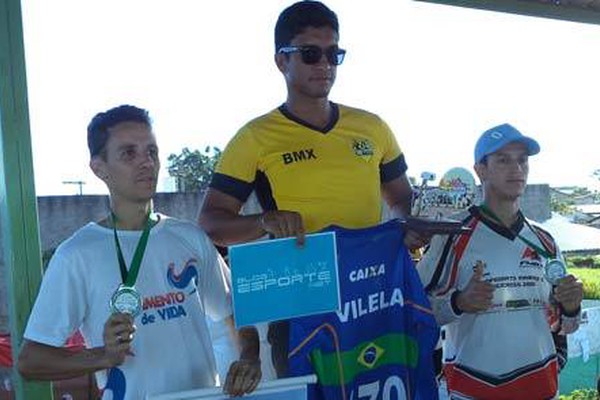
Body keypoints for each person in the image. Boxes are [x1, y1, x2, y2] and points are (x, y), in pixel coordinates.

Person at [198, 1, 427, 378]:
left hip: (372, 295)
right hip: (301, 305)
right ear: (281, 61)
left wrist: (408, 227)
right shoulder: (255, 138)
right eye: (310, 53)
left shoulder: (372, 128)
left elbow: (402, 199)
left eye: (334, 53)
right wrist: (266, 221)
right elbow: (210, 224)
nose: (325, 64)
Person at [18, 105, 261, 399]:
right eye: (129, 153)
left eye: (152, 152)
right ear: (99, 168)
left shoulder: (190, 238)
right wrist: (103, 356)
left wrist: (249, 357)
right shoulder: (77, 255)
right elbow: (30, 360)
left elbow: (236, 316)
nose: (146, 162)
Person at [417, 123, 583, 400]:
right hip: (474, 387)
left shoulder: (546, 241)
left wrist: (570, 307)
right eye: (503, 160)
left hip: (541, 387)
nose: (516, 168)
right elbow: (416, 313)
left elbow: (564, 326)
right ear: (480, 170)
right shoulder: (453, 235)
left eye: (522, 160)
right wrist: (458, 303)